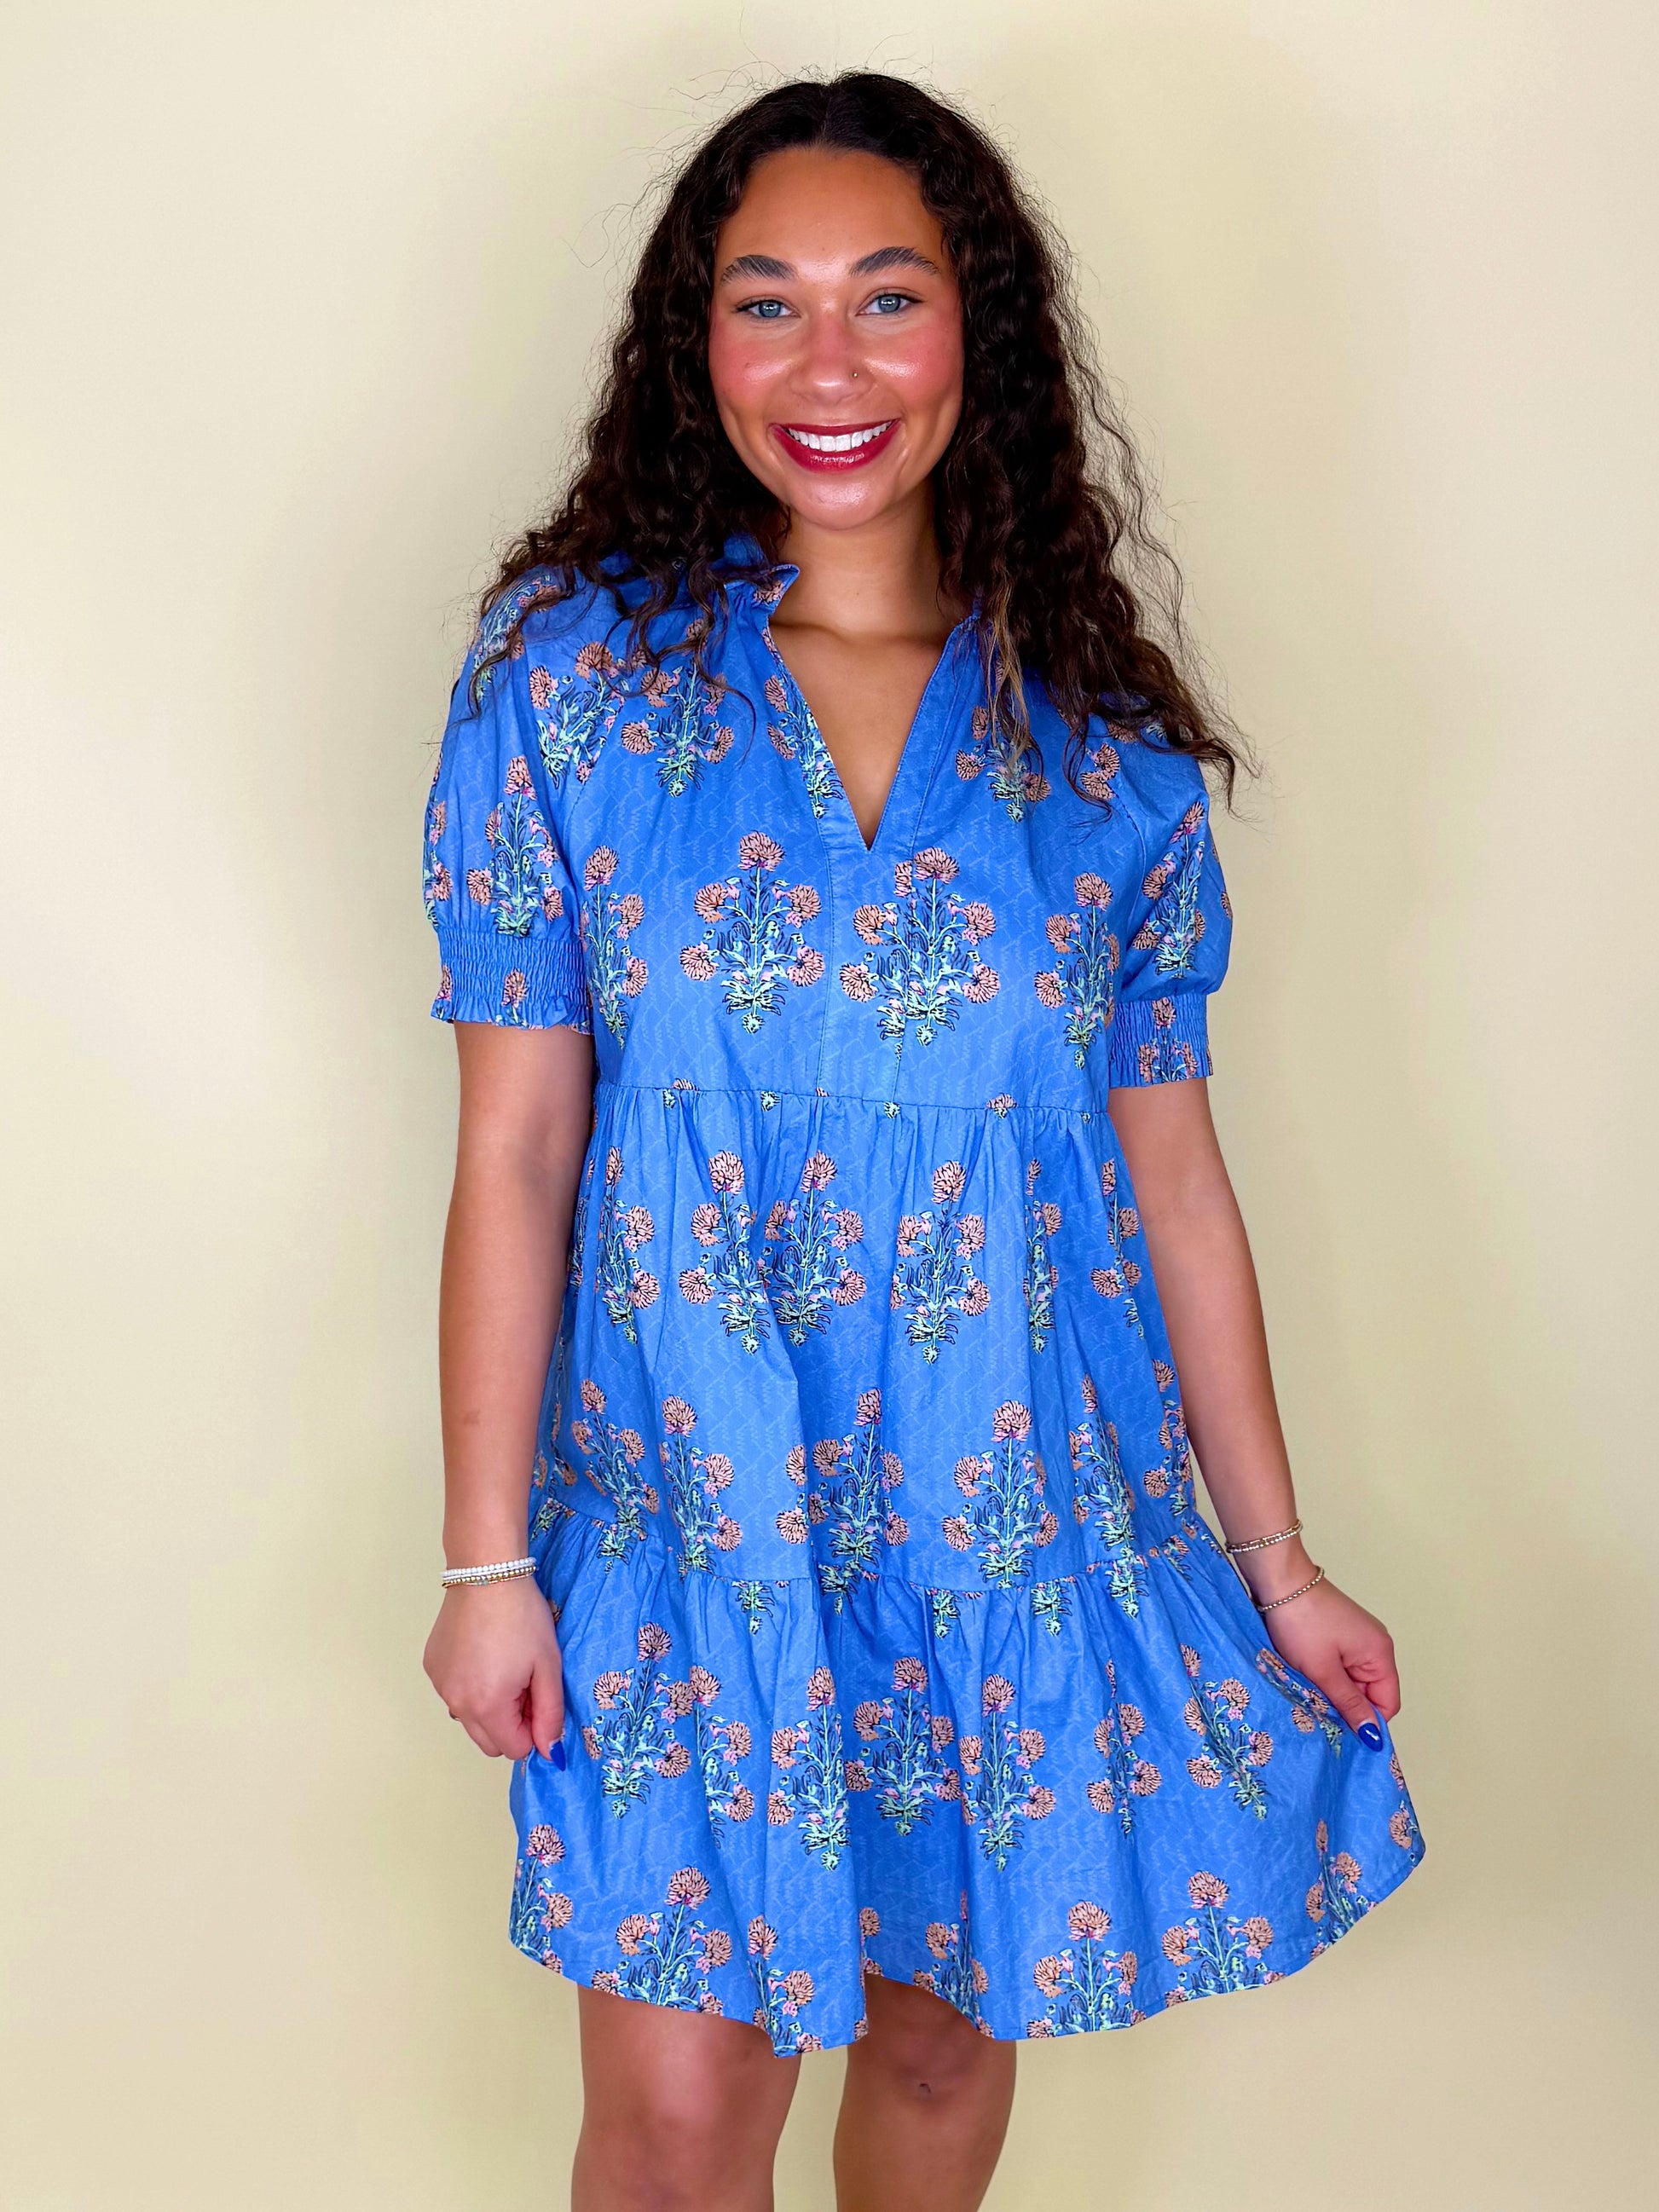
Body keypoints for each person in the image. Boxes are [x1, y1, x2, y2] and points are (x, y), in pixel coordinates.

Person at [419, 71, 1424, 2212]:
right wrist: (485, 1560)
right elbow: (514, 1150)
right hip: (692, 1526)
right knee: (674, 2127)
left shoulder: (1102, 751)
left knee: (943, 2052)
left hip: (1009, 1521)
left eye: (886, 296)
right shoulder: (572, 688)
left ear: (981, 332)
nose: (829, 364)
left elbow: (1174, 1189)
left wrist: (1276, 1561)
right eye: (764, 301)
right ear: (694, 342)